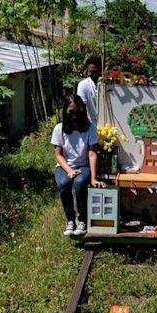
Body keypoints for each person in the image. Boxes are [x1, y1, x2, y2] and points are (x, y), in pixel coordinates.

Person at [52, 94, 106, 236]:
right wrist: (69, 170)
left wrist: (94, 178)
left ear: (82, 110)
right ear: (65, 111)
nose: (74, 115)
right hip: (64, 165)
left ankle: (83, 219)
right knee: (63, 184)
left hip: (83, 165)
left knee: (80, 183)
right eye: (71, 112)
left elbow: (92, 153)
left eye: (77, 111)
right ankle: (70, 219)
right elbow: (58, 154)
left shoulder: (90, 128)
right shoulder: (59, 129)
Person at [77, 54, 101, 123]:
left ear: (101, 69)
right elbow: (81, 108)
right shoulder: (83, 85)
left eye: (94, 72)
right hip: (91, 126)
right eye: (89, 71)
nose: (90, 74)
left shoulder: (109, 83)